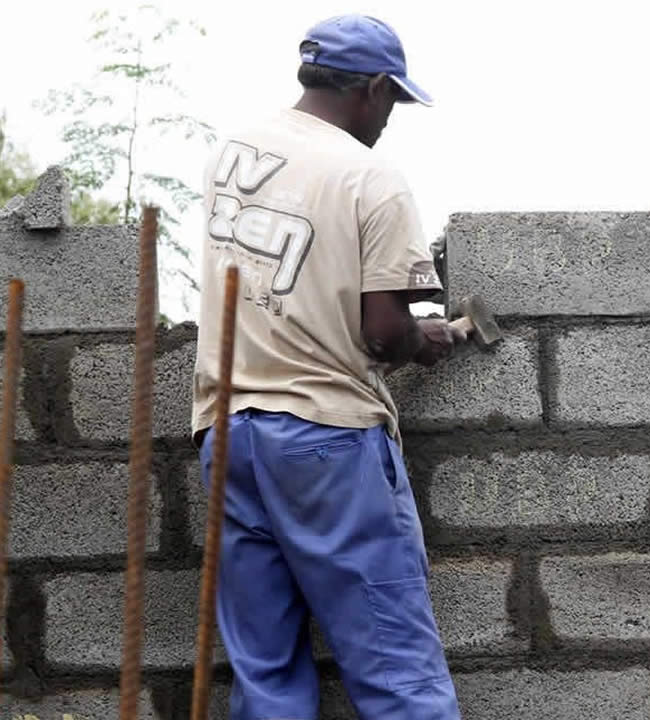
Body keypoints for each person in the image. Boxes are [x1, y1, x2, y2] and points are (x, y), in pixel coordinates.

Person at [189, 14, 466, 720]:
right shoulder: (369, 177)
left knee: (267, 677)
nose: (388, 120)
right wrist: (422, 339)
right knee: (397, 673)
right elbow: (380, 333)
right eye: (392, 103)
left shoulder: (237, 151)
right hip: (326, 444)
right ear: (372, 89)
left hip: (229, 436)